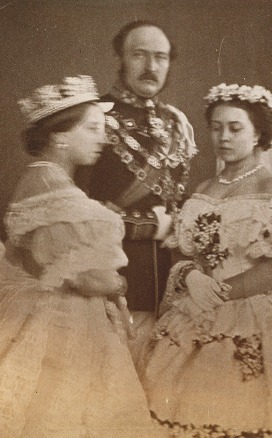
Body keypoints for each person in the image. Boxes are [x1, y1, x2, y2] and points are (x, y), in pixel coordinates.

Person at [0, 75, 160, 437]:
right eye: (93, 128)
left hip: (55, 308)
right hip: (57, 317)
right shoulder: (49, 183)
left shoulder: (49, 178)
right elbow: (83, 277)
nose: (103, 137)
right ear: (60, 137)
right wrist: (118, 282)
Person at [138, 84, 272, 437]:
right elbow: (183, 249)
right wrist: (190, 277)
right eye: (216, 128)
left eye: (235, 128)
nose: (223, 137)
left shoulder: (271, 188)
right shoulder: (203, 189)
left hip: (257, 304)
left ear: (258, 133)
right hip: (200, 299)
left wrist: (218, 293)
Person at [77, 20, 197, 315]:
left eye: (161, 57)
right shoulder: (94, 117)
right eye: (139, 55)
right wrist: (148, 226)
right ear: (120, 60)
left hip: (171, 277)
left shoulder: (177, 122)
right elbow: (75, 205)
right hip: (113, 272)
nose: (151, 66)